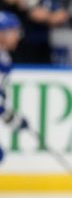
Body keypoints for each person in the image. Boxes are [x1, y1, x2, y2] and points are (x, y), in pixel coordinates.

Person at [0, 11, 29, 162]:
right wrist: (11, 118)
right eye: (14, 31)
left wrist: (9, 116)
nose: (17, 36)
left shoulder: (4, 57)